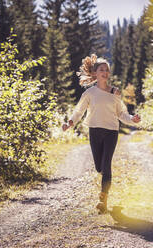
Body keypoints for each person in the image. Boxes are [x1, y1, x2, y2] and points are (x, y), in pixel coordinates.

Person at [62, 54, 141, 214]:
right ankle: (104, 198)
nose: (105, 72)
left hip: (111, 132)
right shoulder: (90, 93)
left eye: (107, 70)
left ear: (108, 74)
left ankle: (103, 200)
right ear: (95, 73)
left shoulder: (115, 93)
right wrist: (70, 122)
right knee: (99, 167)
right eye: (101, 70)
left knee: (106, 165)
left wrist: (133, 119)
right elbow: (79, 111)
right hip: (95, 131)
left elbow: (122, 114)